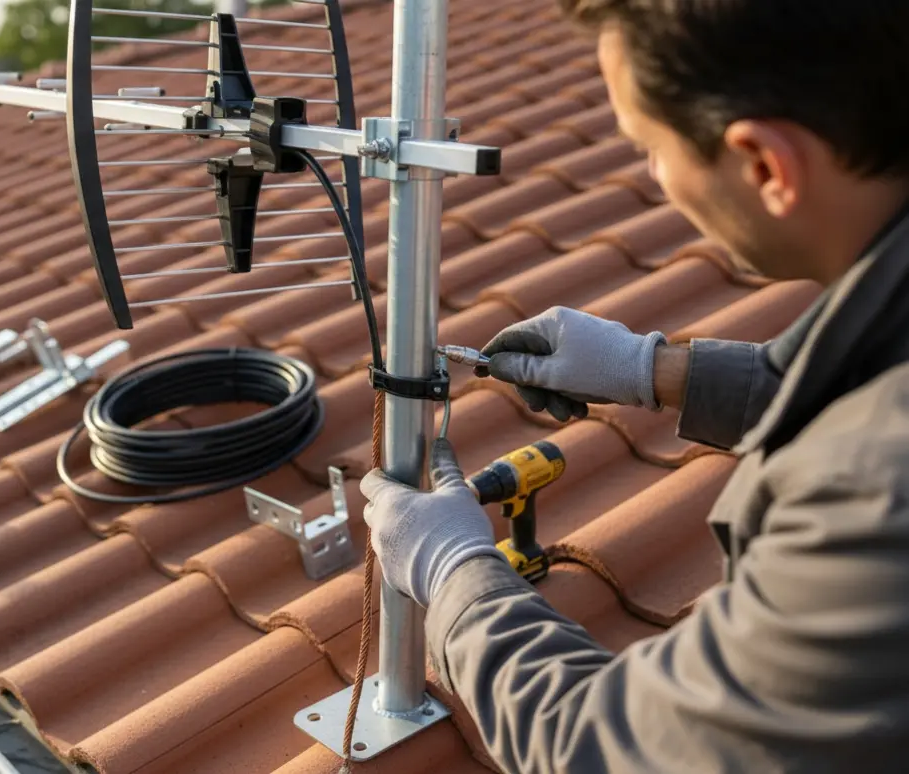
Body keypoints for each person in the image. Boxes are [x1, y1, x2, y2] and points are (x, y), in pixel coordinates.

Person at [358, 0, 909, 771]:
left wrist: (455, 579)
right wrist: (655, 371)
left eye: (650, 149)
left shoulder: (869, 504)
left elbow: (616, 749)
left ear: (764, 165)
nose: (655, 178)